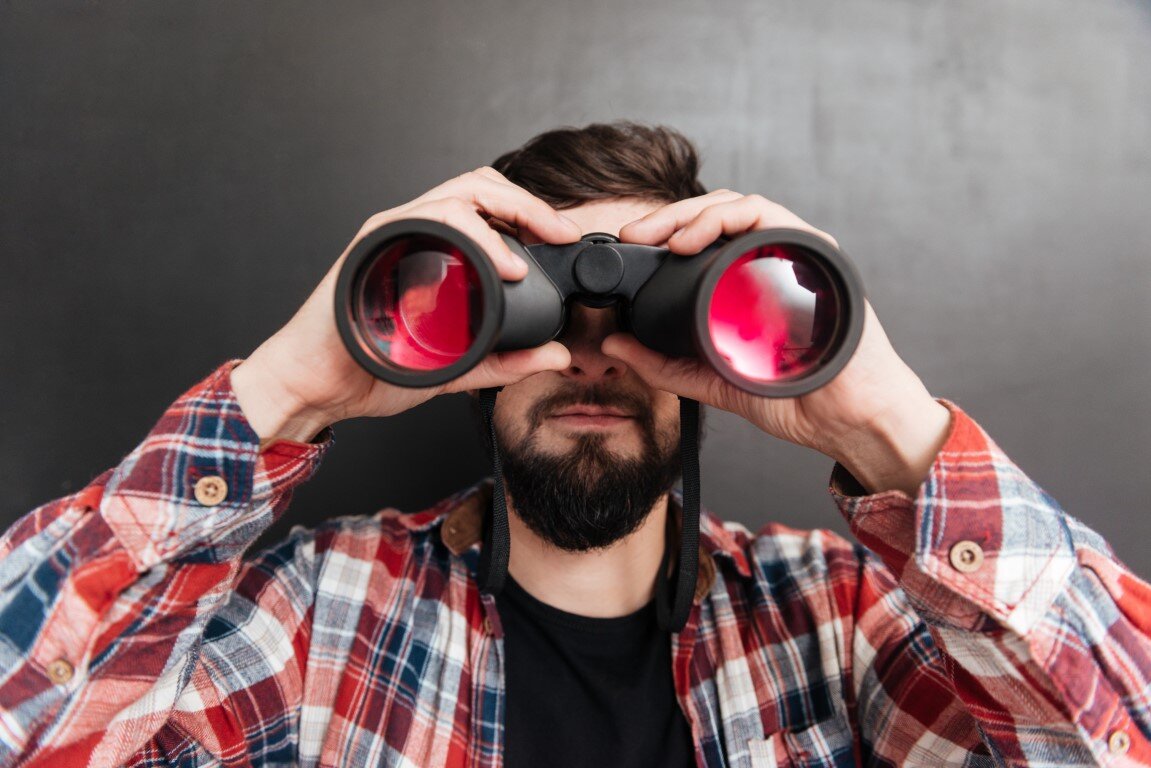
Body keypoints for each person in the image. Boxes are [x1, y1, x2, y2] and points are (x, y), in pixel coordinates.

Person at [0, 122, 1147, 768]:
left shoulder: (845, 618)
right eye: (542, 310)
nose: (592, 357)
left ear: (705, 354)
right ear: (468, 345)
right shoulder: (312, 618)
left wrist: (886, 422)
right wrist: (292, 385)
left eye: (649, 322)